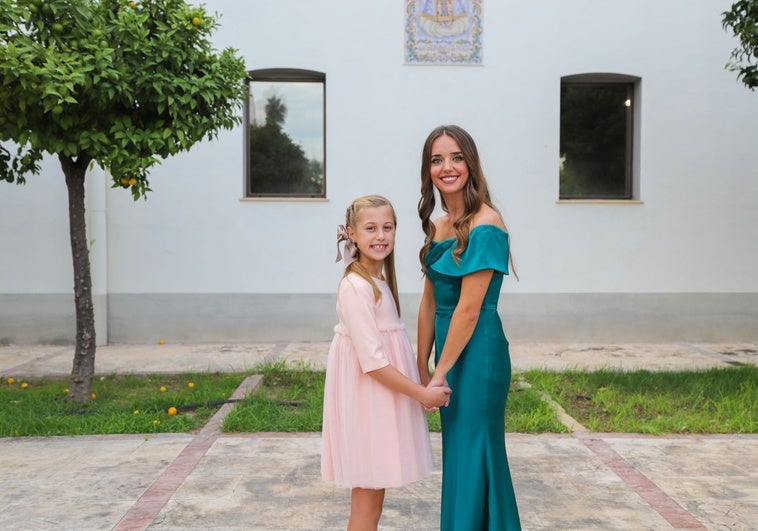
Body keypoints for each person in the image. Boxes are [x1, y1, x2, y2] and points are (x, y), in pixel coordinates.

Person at [321, 194, 452, 531]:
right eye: (370, 228)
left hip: (379, 403)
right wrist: (421, 394)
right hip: (367, 406)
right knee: (366, 500)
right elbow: (372, 362)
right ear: (351, 234)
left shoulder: (379, 283)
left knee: (373, 499)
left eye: (387, 227)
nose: (380, 236)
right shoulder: (356, 287)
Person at [416, 125, 522, 530]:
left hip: (478, 355)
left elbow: (468, 311)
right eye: (437, 159)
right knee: (459, 454)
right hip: (447, 355)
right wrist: (421, 363)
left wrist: (438, 374)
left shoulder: (487, 222)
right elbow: (429, 303)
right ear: (428, 171)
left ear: (470, 163)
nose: (447, 167)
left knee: (477, 450)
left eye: (456, 157)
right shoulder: (439, 227)